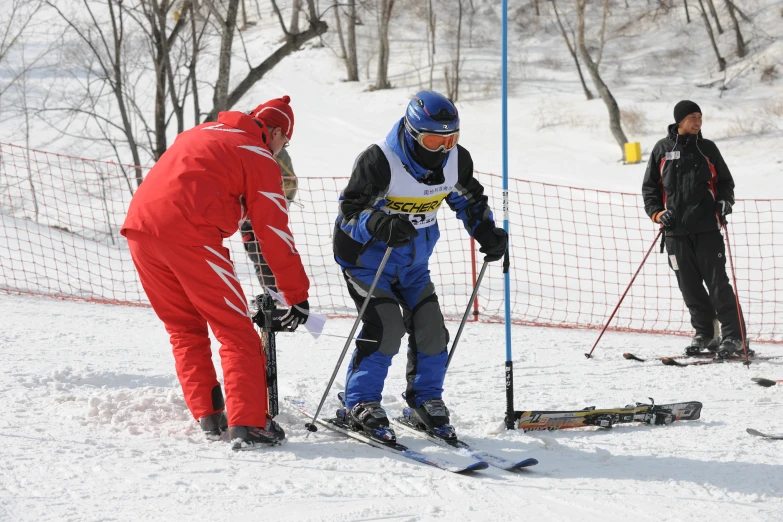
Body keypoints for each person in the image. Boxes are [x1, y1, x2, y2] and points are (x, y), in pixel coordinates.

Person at [121, 95, 310, 448]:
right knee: (235, 331)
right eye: (285, 140)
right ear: (274, 131)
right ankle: (249, 424)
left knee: (184, 327)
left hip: (139, 230)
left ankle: (209, 415)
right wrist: (297, 296)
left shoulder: (201, 132)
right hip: (189, 234)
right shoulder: (257, 154)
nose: (283, 149)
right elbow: (275, 233)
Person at [332, 90, 507, 441]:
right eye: (433, 139)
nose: (443, 148)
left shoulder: (456, 161)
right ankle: (361, 401)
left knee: (431, 330)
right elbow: (350, 211)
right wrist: (380, 223)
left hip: (413, 264)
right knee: (387, 328)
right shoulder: (380, 160)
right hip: (367, 261)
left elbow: (469, 200)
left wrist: (486, 231)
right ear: (413, 134)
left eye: (451, 138)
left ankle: (425, 399)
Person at [642, 100, 747, 358]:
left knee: (718, 285)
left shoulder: (707, 148)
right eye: (692, 117)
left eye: (700, 117)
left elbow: (725, 182)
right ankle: (705, 334)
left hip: (707, 229)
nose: (698, 122)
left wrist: (724, 201)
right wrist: (658, 213)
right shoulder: (662, 149)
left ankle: (734, 337)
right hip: (675, 232)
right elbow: (650, 190)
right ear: (680, 120)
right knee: (689, 286)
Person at [240, 147, 298, 292]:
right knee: (256, 254)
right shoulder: (236, 143)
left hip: (267, 213)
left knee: (273, 254)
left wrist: (276, 205)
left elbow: (289, 180)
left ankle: (283, 295)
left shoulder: (271, 146)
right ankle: (270, 295)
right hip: (244, 214)